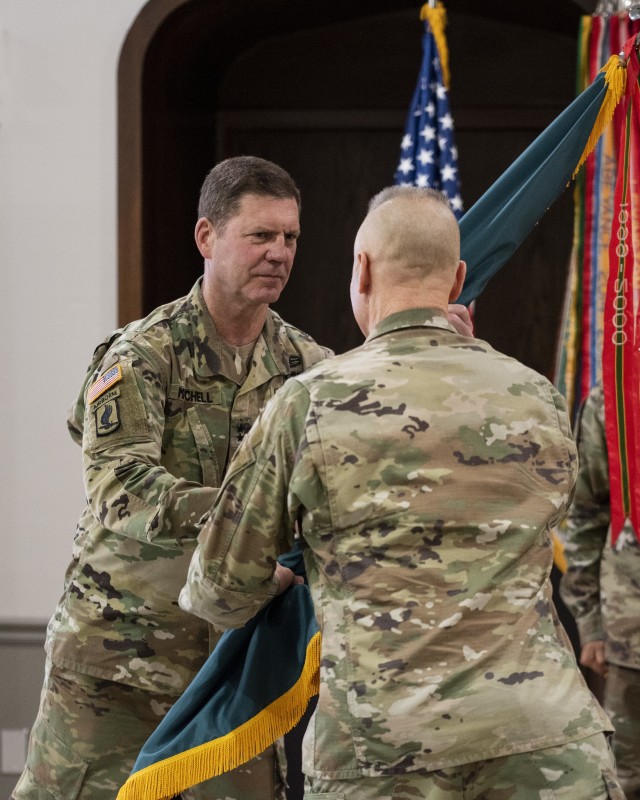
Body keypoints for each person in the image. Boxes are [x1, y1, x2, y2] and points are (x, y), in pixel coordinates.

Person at [179, 185, 622, 800]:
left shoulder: (309, 401)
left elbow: (219, 590)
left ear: (361, 270)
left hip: (383, 753)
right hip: (544, 742)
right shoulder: (537, 396)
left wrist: (292, 575)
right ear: (458, 277)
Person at [12, 156, 334, 800]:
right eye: (260, 235)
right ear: (207, 237)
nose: (278, 253)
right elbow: (118, 485)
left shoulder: (309, 367)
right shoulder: (142, 354)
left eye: (290, 237)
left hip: (233, 664)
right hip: (119, 659)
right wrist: (245, 519)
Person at [560, 381, 640, 799]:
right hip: (632, 633)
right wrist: (590, 622)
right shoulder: (614, 398)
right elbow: (588, 512)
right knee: (629, 777)